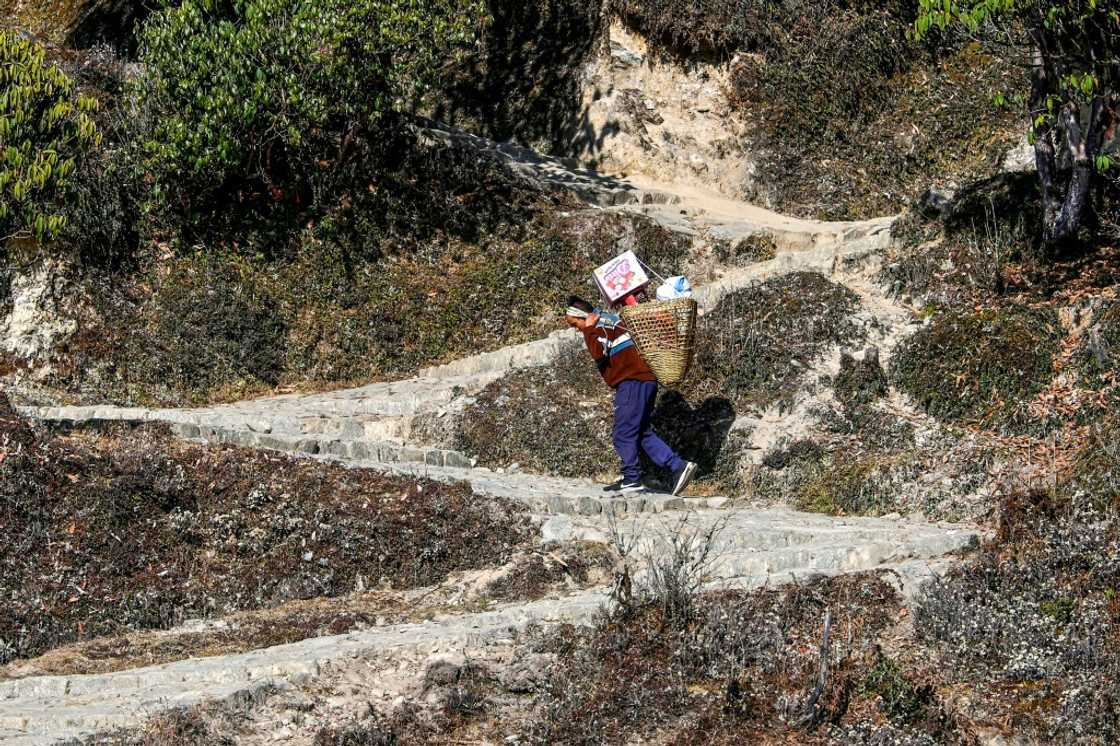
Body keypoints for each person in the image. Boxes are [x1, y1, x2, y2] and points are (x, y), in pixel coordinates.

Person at [565, 295, 697, 496]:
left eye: (576, 324)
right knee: (641, 431)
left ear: (586, 317)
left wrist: (589, 329)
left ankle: (632, 479)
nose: (577, 329)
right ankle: (678, 466)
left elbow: (599, 353)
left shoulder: (600, 327)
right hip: (646, 381)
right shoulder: (614, 322)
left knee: (623, 433)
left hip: (632, 382)